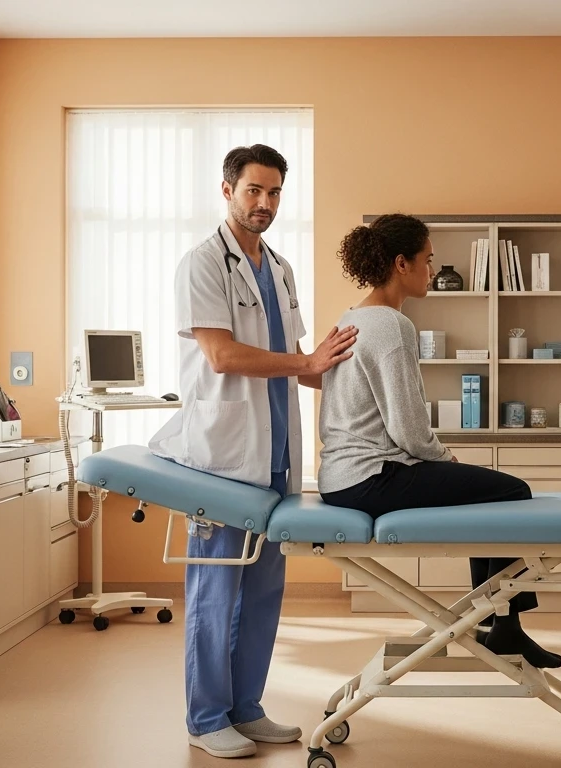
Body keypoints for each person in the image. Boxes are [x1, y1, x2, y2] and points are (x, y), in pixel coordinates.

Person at [148, 144, 358, 759]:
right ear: (227, 190)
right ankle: (206, 716)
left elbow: (298, 362)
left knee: (264, 589)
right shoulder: (202, 263)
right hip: (221, 457)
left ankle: (246, 707)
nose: (264, 204)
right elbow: (223, 356)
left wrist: (353, 362)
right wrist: (307, 360)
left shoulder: (281, 268)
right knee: (216, 590)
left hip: (274, 454)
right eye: (253, 191)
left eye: (273, 193)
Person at [316, 213, 561, 670]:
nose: (433, 270)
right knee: (513, 492)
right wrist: (444, 456)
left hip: (342, 475)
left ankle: (502, 625)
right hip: (374, 476)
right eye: (428, 261)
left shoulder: (352, 317)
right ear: (401, 264)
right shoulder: (392, 326)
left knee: (486, 495)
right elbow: (407, 428)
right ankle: (502, 626)